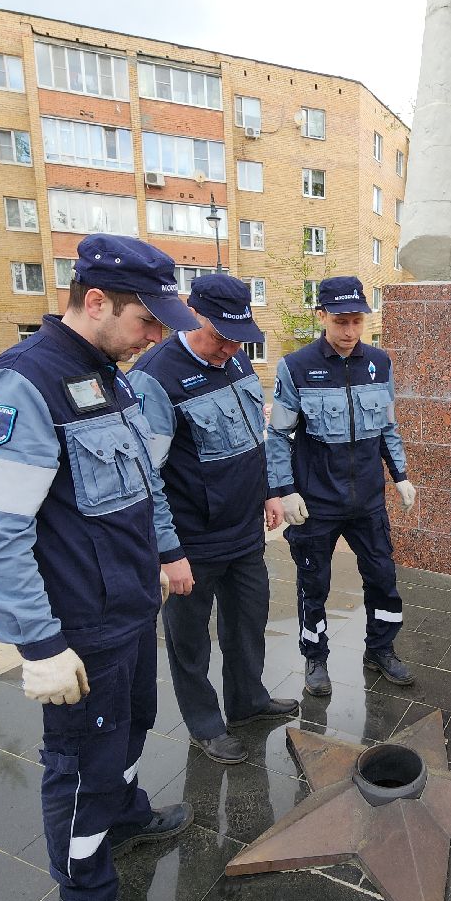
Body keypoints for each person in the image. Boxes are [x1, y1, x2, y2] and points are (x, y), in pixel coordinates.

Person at [0, 234, 199, 901]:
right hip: (78, 628)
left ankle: (121, 815)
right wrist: (39, 645)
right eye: (146, 321)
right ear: (95, 301)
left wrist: (165, 554)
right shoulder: (22, 385)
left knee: (130, 730)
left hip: (128, 607)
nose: (154, 337)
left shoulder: (110, 376)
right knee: (81, 762)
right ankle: (84, 896)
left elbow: (142, 487)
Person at [128, 274, 297, 766]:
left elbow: (253, 438)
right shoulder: (155, 377)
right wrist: (168, 551)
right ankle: (206, 724)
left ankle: (247, 701)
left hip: (243, 532)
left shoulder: (236, 357)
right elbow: (146, 476)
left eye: (239, 337)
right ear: (191, 314)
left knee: (248, 622)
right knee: (190, 641)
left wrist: (269, 492)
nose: (229, 347)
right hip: (192, 542)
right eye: (219, 335)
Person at [265, 275, 416, 696]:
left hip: (367, 499)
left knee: (382, 577)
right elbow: (278, 435)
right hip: (316, 501)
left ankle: (381, 649)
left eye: (357, 322)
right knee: (314, 584)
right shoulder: (296, 367)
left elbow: (387, 427)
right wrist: (284, 489)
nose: (350, 331)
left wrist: (401, 476)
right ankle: (315, 657)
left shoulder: (379, 363)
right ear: (322, 316)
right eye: (340, 321)